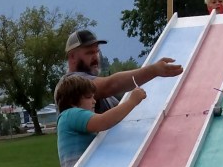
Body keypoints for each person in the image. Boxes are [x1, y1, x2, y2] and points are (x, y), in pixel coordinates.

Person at [54, 29, 182, 114]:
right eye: (89, 53)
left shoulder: (99, 88)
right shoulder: (69, 84)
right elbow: (110, 85)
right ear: (72, 57)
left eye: (97, 52)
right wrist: (153, 71)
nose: (95, 57)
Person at [55, 74, 147, 167]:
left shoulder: (68, 118)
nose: (94, 101)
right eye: (89, 97)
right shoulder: (71, 114)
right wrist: (132, 101)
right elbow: (103, 121)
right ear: (72, 101)